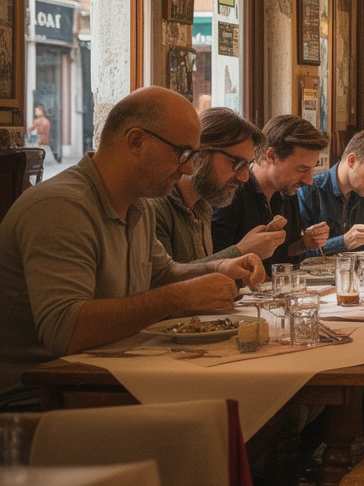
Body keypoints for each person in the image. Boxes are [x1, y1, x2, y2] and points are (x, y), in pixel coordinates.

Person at [0, 87, 266, 407]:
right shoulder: (62, 206)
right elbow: (65, 330)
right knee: (221, 411)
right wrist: (179, 296)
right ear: (136, 141)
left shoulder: (137, 206)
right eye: (182, 154)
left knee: (244, 392)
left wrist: (216, 267)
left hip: (108, 377)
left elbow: (161, 273)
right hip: (38, 399)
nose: (188, 169)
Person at [151, 108, 287, 264]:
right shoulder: (155, 208)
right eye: (236, 163)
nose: (244, 177)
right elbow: (164, 283)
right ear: (200, 152)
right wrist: (241, 251)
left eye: (247, 165)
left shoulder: (203, 207)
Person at [212, 114, 331, 271]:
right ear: (271, 156)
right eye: (302, 169)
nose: (309, 180)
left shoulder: (287, 191)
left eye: (312, 168)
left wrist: (303, 244)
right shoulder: (232, 192)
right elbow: (212, 263)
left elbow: (282, 254)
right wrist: (245, 250)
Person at [296, 130, 364, 256]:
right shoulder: (308, 191)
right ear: (352, 161)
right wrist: (343, 242)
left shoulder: (362, 191)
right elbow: (295, 255)